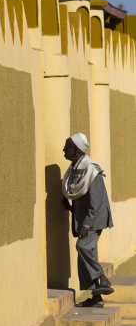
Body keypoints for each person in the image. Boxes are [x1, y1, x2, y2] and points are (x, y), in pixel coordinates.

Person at [62, 132, 114, 308]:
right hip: (87, 217)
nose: (64, 150)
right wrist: (71, 207)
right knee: (86, 255)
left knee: (82, 246)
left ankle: (103, 278)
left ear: (75, 150)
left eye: (67, 147)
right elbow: (79, 194)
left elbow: (96, 200)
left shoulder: (92, 169)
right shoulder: (75, 169)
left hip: (95, 218)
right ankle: (96, 297)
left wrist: (86, 223)